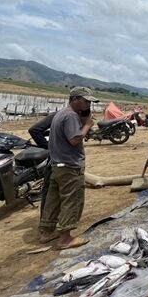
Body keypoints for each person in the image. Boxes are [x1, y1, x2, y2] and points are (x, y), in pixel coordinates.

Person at [38, 87, 97, 249]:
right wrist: (87, 125)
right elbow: (74, 140)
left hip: (57, 165)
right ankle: (65, 239)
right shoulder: (71, 116)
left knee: (54, 200)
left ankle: (46, 231)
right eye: (86, 101)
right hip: (70, 166)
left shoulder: (61, 113)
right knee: (72, 200)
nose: (88, 104)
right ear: (75, 99)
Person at [28, 112, 56, 220]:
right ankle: (46, 225)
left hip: (64, 162)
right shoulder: (60, 115)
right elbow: (34, 130)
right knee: (50, 191)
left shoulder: (70, 117)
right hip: (56, 162)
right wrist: (49, 147)